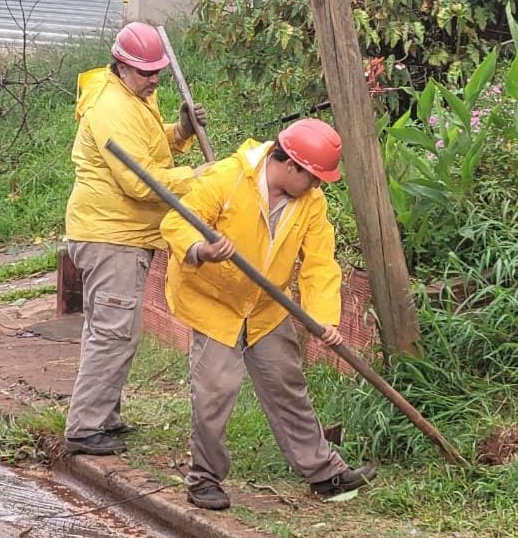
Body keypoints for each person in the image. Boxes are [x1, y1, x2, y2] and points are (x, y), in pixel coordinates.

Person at [160, 118, 376, 510]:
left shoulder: (311, 202)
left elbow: (319, 264)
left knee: (287, 385)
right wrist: (201, 250)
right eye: (313, 177)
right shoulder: (227, 177)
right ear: (290, 165)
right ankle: (204, 479)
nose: (317, 185)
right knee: (215, 391)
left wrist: (322, 318)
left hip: (266, 305)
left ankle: (324, 473)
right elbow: (176, 221)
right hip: (215, 303)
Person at [64, 21, 208, 455]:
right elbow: (142, 183)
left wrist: (179, 132)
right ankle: (85, 428)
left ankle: (102, 416)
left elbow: (145, 145)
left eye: (159, 71)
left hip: (119, 232)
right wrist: (200, 177)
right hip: (111, 235)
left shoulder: (133, 95)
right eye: (147, 73)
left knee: (109, 329)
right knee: (114, 332)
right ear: (122, 67)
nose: (155, 79)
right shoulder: (111, 108)